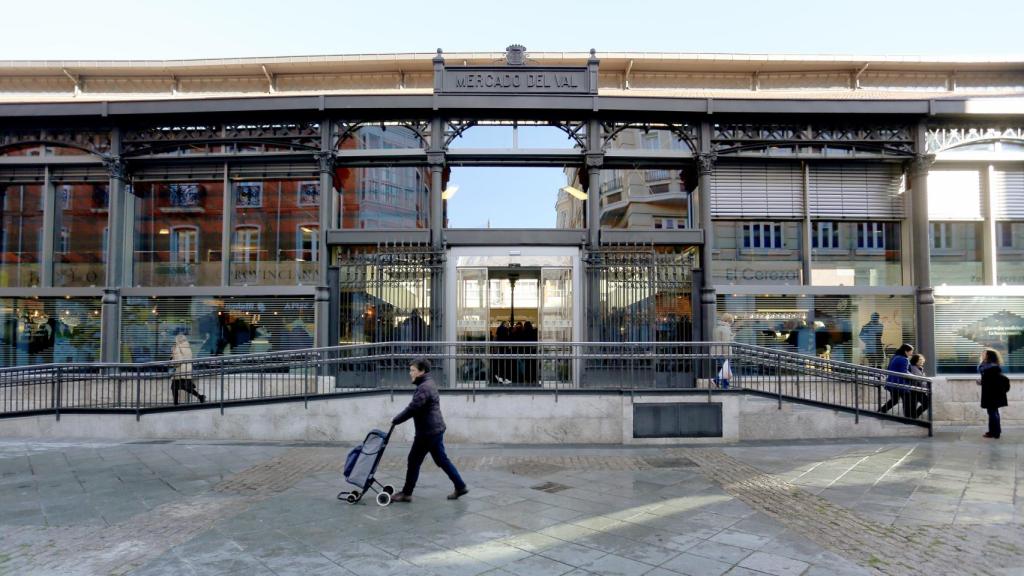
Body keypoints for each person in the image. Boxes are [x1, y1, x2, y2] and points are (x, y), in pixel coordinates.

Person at [391, 358, 468, 503]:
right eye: (410, 370)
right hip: (436, 429)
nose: (410, 373)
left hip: (427, 432)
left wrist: (396, 420)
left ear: (422, 371)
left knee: (413, 461)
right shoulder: (428, 383)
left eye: (413, 370)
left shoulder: (424, 387)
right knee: (442, 460)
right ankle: (460, 486)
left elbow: (413, 408)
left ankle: (406, 493)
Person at [978, 348, 1010, 439]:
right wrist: (982, 381)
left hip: (992, 393)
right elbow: (989, 380)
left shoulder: (991, 367)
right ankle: (994, 431)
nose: (982, 354)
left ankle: (995, 432)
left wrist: (981, 382)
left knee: (992, 412)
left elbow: (992, 381)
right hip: (991, 392)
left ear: (988, 356)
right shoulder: (989, 366)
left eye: (984, 353)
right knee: (993, 412)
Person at [171, 332, 205, 405]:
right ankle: (200, 397)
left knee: (176, 387)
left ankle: (176, 404)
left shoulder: (178, 347)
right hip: (187, 369)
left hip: (180, 370)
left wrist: (172, 361)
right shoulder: (187, 346)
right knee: (180, 386)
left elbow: (178, 361)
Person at [880, 343, 913, 416]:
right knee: (906, 400)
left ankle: (881, 410)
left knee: (894, 400)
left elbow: (888, 368)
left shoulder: (894, 357)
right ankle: (908, 417)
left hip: (892, 382)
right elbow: (904, 372)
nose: (912, 353)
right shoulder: (904, 359)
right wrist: (914, 376)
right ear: (906, 351)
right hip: (900, 384)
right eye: (911, 351)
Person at [712, 313, 735, 388]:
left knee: (725, 370)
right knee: (726, 370)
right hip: (723, 353)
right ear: (728, 321)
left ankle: (718, 381)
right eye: (731, 322)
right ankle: (724, 385)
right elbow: (726, 344)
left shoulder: (717, 327)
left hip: (717, 352)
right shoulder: (725, 329)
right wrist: (727, 355)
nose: (731, 324)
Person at [908, 353, 930, 419]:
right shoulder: (912, 368)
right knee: (925, 403)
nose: (922, 361)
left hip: (919, 390)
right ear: (915, 360)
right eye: (920, 360)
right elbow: (917, 379)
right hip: (915, 390)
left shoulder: (919, 368)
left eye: (922, 360)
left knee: (925, 404)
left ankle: (914, 417)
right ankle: (913, 417)